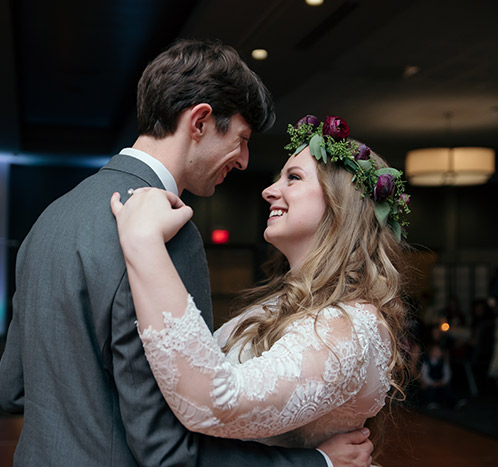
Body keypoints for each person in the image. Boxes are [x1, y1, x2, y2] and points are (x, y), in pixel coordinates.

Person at [0, 40, 373, 467]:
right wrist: (315, 463)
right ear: (200, 121)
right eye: (242, 139)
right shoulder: (168, 233)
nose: (246, 161)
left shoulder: (53, 216)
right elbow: (167, 449)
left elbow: (13, 388)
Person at [111, 114, 410, 455]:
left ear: (341, 203)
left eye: (293, 178)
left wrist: (143, 241)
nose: (269, 192)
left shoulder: (347, 326)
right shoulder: (281, 303)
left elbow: (217, 403)